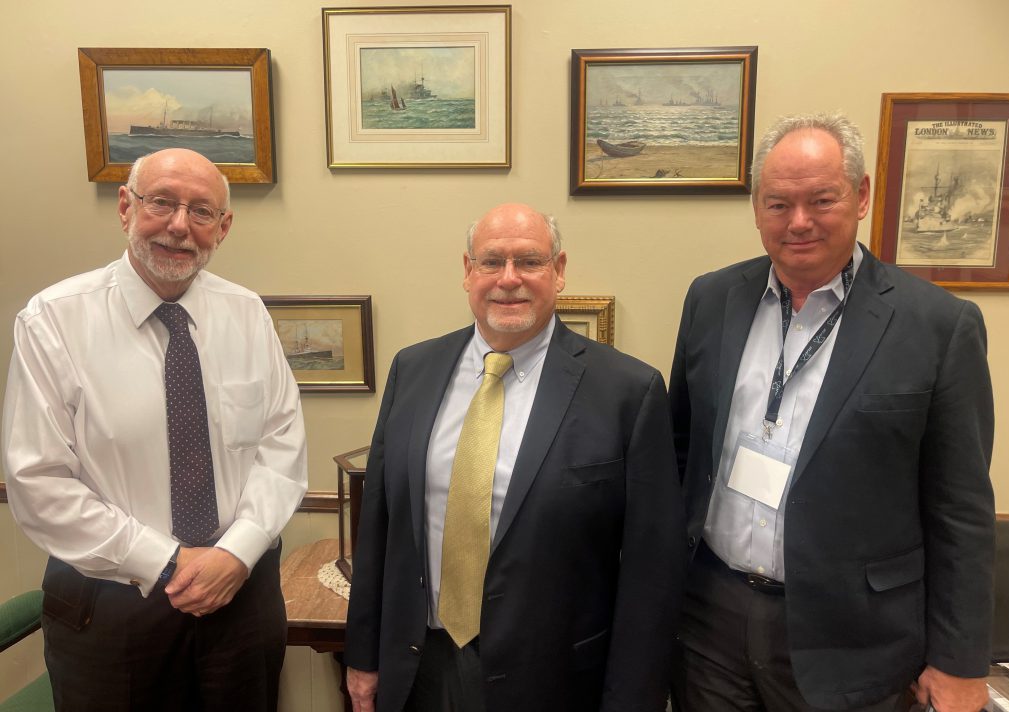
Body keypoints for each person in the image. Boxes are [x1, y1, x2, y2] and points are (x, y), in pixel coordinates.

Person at [668, 112, 995, 712]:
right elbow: (683, 447)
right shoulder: (710, 299)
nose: (799, 221)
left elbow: (961, 510)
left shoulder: (939, 326)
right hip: (712, 619)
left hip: (854, 636)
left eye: (822, 199)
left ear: (861, 195)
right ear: (757, 208)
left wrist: (959, 660)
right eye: (778, 204)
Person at [2, 148, 308, 711]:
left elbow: (280, 448)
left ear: (223, 227)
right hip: (111, 609)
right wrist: (166, 560)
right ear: (126, 207)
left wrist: (237, 552)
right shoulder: (53, 320)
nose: (179, 226)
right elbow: (39, 481)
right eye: (161, 202)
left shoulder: (246, 314)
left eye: (201, 211)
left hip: (239, 596)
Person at [345, 203, 683, 712]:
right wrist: (363, 656)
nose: (508, 279)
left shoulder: (628, 391)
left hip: (554, 681)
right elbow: (379, 526)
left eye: (529, 261)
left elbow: (651, 572)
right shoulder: (413, 369)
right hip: (418, 669)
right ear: (468, 271)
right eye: (491, 262)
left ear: (559, 271)